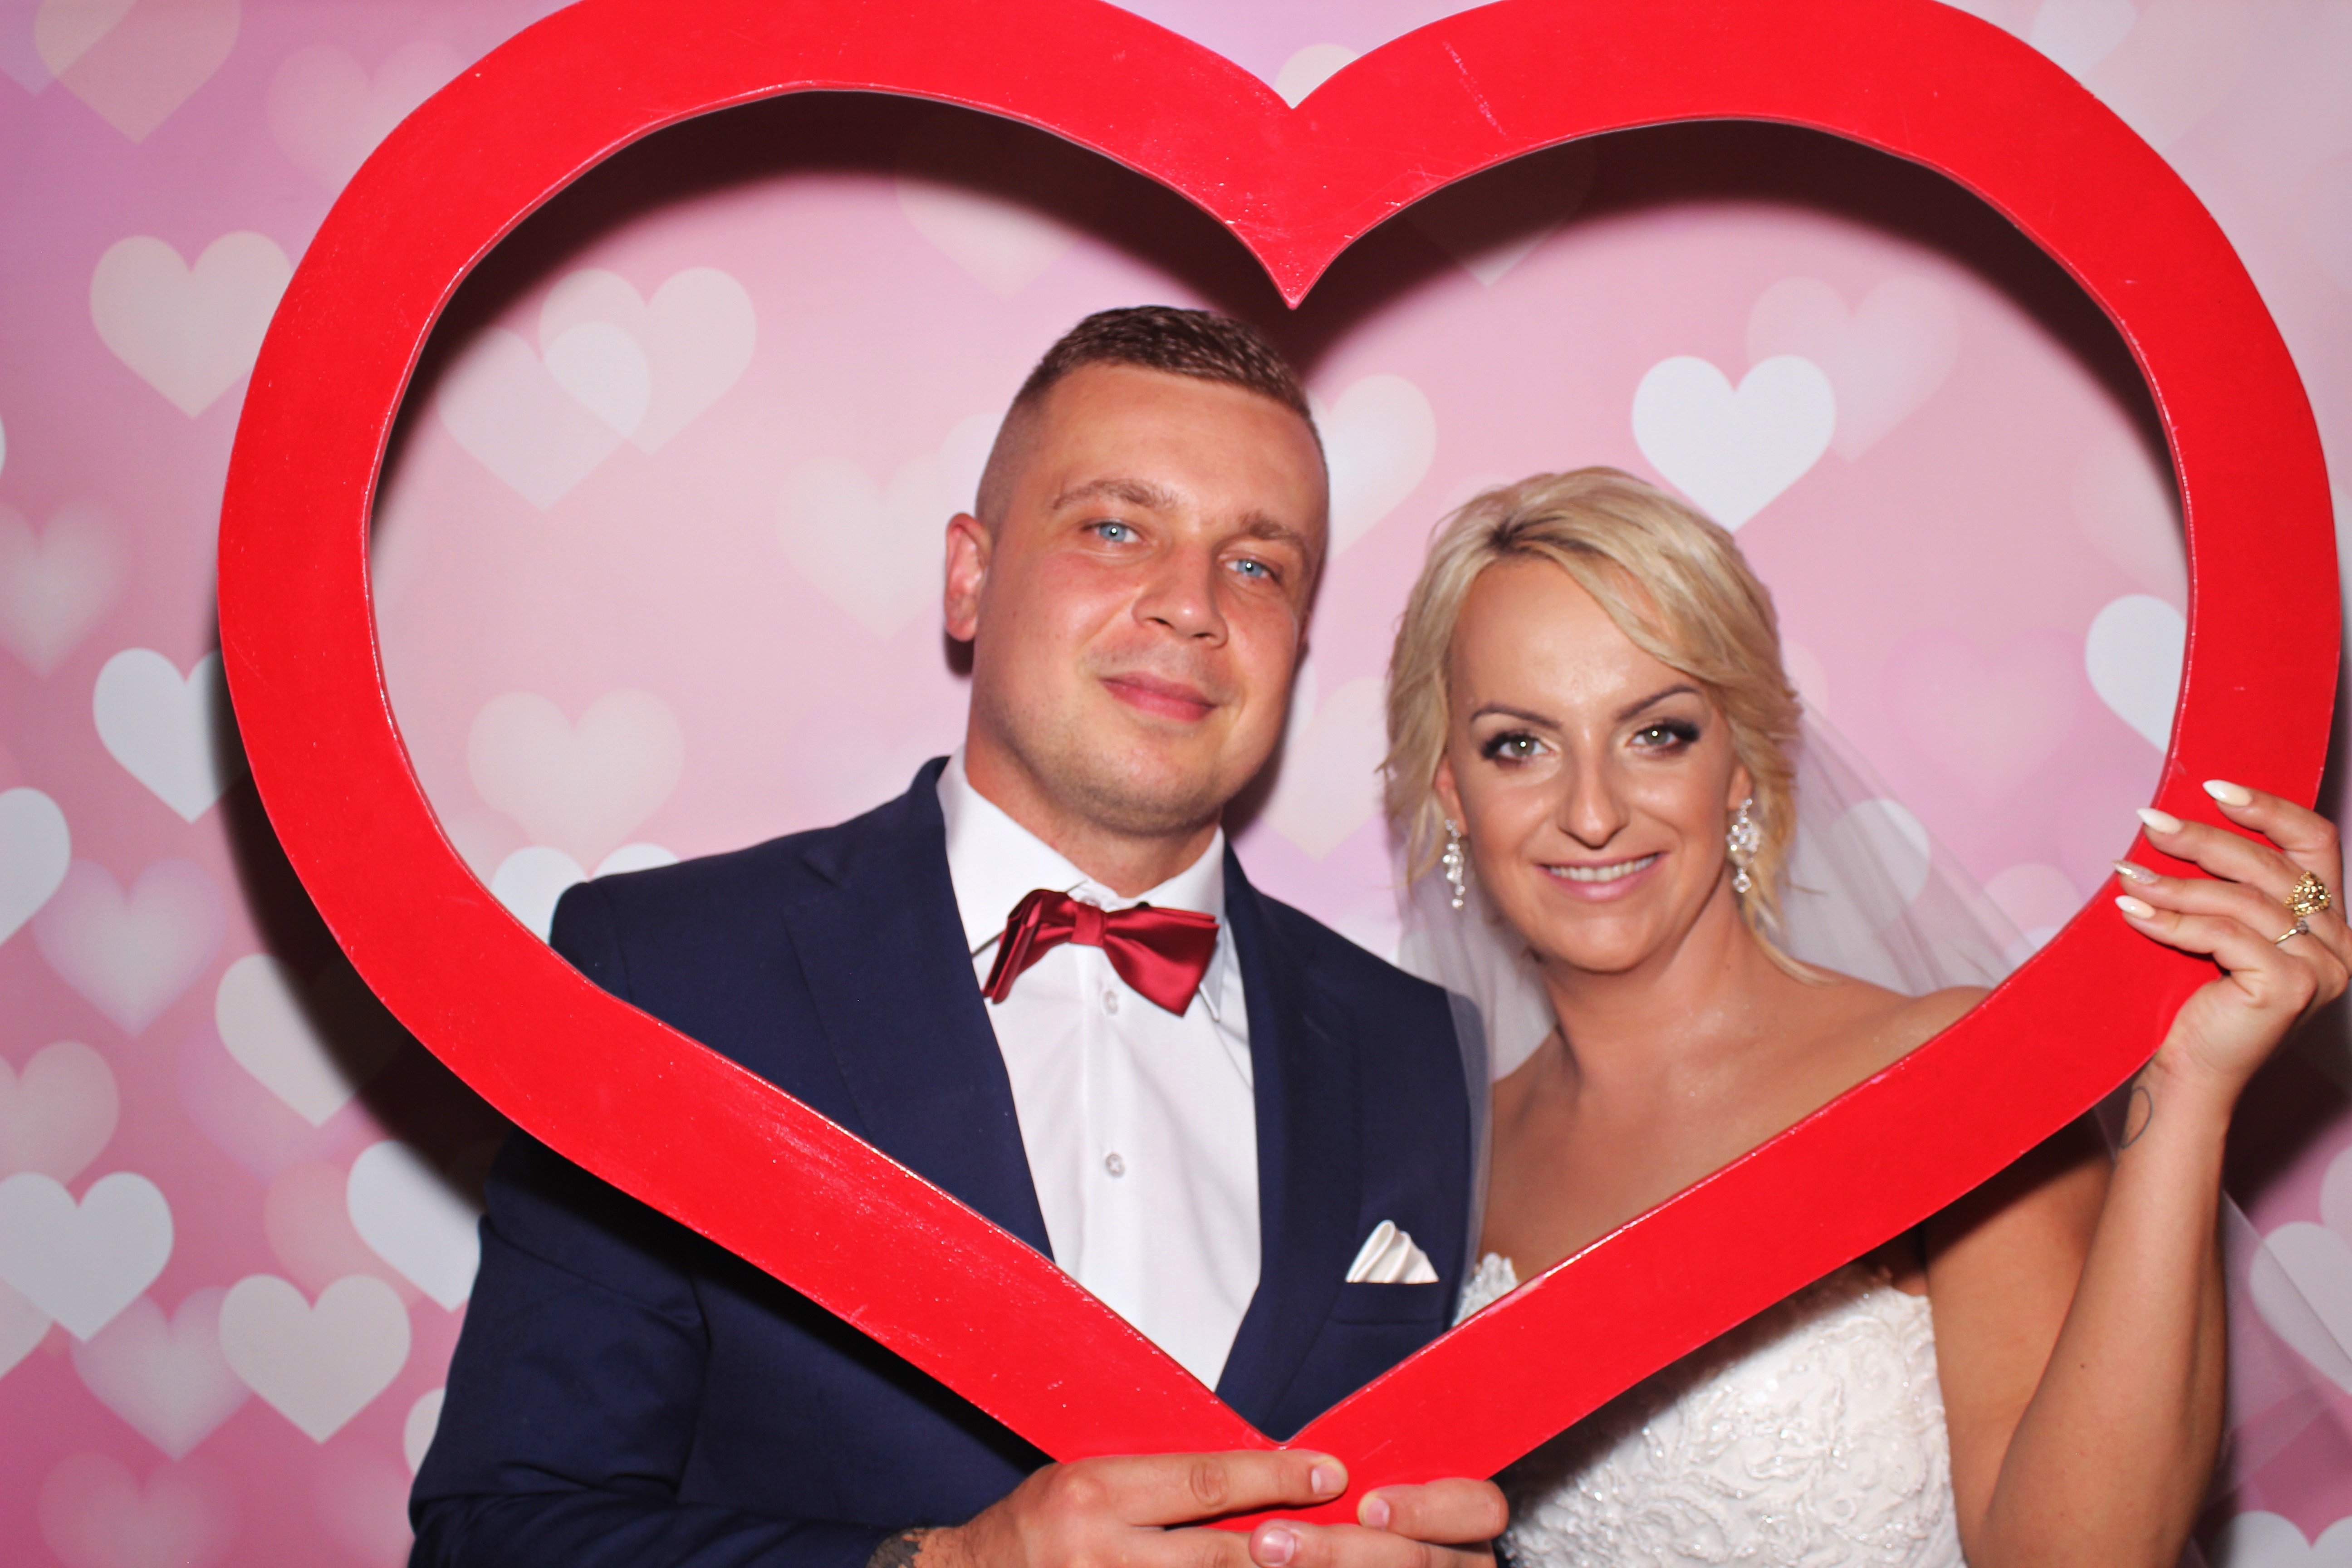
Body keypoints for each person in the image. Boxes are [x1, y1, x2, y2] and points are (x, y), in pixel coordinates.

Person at [411, 309, 1505, 1568]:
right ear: (970, 577)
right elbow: (496, 1538)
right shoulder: (665, 979)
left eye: (1257, 566)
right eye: (1115, 528)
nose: (1191, 605)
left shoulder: (1418, 1048)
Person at [1380, 468, 2348, 1568]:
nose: (1592, 812)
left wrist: (2189, 1094)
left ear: (1741, 764)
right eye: (1520, 744)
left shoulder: (1948, 1070)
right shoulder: (1449, 1160)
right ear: (1453, 793)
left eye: (1658, 734)